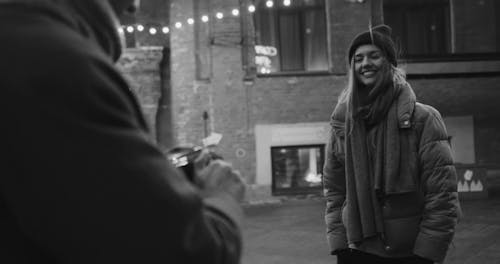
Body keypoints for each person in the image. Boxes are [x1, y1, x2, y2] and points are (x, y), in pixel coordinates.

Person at [0, 0, 246, 263]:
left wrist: (154, 177)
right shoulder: (59, 63)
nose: (133, 7)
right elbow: (186, 251)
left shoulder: (21, 40)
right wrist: (223, 197)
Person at [323, 24, 461, 264]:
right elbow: (335, 191)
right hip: (357, 249)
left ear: (390, 63)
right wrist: (340, 245)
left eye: (374, 56)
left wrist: (426, 254)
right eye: (358, 58)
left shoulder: (422, 119)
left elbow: (442, 195)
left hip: (409, 254)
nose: (365, 63)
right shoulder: (343, 123)